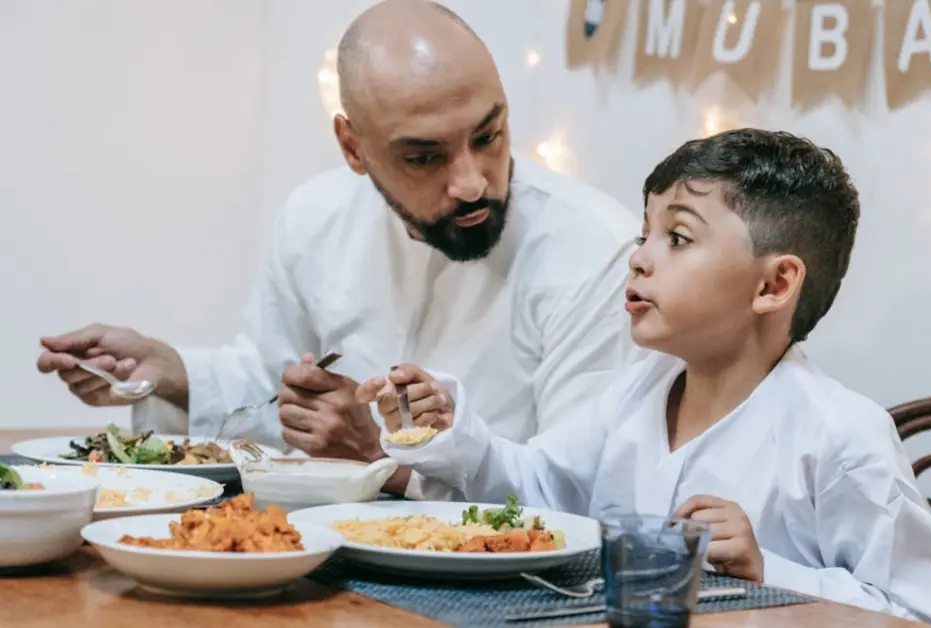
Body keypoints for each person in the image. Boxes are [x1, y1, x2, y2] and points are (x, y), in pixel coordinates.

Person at [34, 0, 640, 494]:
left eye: (489, 135)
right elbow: (276, 386)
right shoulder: (315, 218)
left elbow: (581, 493)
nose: (471, 181)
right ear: (353, 147)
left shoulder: (593, 251)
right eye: (424, 156)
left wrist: (383, 456)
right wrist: (174, 374)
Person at [365, 129, 931, 625]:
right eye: (642, 233)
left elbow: (915, 614)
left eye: (677, 238)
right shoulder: (639, 390)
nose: (640, 257)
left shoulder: (843, 438)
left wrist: (768, 568)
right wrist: (451, 435)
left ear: (773, 286)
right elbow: (538, 491)